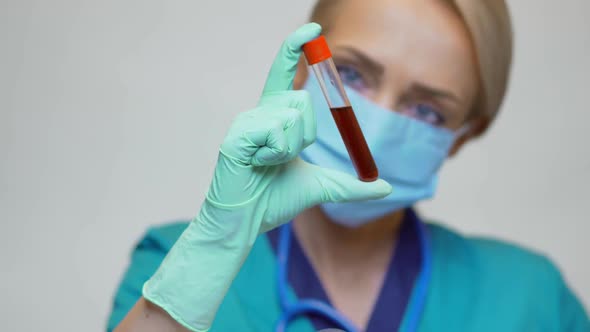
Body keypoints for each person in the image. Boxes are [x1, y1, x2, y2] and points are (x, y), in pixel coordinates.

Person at [108, 0, 589, 331]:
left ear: (464, 135)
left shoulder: (530, 298)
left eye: (428, 110)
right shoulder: (174, 259)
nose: (372, 135)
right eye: (353, 74)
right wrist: (217, 242)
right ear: (301, 68)